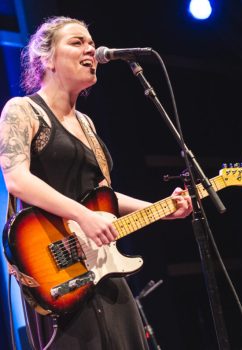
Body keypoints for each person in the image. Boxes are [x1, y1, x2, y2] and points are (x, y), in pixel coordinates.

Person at [0, 16, 192, 349]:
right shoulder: (23, 110)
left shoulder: (87, 124)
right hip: (54, 269)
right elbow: (17, 179)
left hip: (102, 265)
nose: (90, 48)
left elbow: (104, 197)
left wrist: (161, 209)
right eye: (77, 42)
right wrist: (82, 216)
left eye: (90, 42)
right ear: (46, 58)